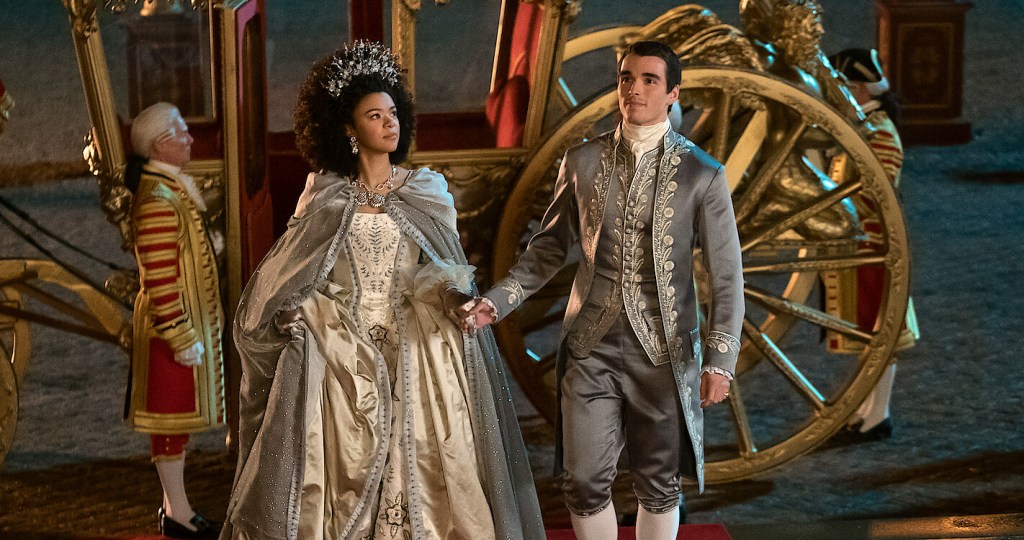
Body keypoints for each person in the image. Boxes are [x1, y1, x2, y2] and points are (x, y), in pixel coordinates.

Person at [219, 41, 544, 540]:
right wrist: (299, 310)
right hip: (341, 344)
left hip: (415, 339)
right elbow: (299, 270)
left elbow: (442, 270)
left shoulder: (426, 189)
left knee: (427, 457)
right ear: (349, 130)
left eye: (393, 113)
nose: (389, 123)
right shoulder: (324, 194)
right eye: (375, 116)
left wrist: (458, 300)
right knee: (334, 461)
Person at [465, 40, 744, 540]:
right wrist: (498, 300)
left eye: (649, 80)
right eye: (626, 78)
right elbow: (547, 250)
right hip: (589, 347)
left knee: (659, 483)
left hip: (664, 354)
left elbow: (727, 276)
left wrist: (720, 361)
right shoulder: (582, 161)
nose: (634, 89)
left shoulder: (704, 174)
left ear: (673, 94)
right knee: (583, 482)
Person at [125, 102, 225, 539]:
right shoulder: (158, 201)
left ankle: (176, 508)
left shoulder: (170, 190)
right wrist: (180, 334)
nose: (189, 139)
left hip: (184, 327)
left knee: (178, 423)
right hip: (171, 332)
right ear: (160, 144)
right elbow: (160, 279)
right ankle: (176, 512)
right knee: (169, 422)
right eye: (182, 133)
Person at [828, 47, 919, 441]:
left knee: (881, 336)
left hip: (874, 246)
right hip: (863, 246)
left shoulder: (879, 131)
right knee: (870, 337)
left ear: (860, 89)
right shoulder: (866, 125)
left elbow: (876, 193)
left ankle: (877, 414)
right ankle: (867, 412)